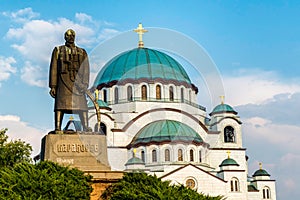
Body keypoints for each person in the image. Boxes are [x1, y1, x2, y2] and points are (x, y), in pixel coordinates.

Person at [49, 29, 90, 132]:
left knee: (82, 106)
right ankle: (57, 127)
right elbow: (53, 68)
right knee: (60, 105)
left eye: (72, 36)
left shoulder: (81, 52)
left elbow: (86, 69)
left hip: (78, 83)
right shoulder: (58, 50)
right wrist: (53, 86)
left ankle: (85, 126)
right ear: (65, 37)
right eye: (68, 36)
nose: (70, 37)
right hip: (63, 81)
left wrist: (85, 84)